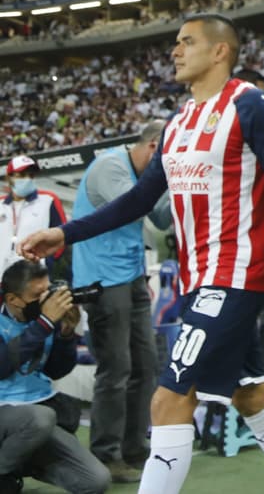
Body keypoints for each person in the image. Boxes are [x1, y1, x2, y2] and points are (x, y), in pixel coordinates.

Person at [19, 13, 264, 494]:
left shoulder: (251, 107)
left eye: (186, 42)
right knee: (249, 393)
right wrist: (67, 234)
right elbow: (138, 200)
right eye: (175, 43)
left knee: (169, 398)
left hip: (234, 277)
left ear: (219, 52)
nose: (175, 50)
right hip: (197, 283)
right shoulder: (177, 123)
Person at [72, 119, 168, 484]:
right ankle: (105, 455)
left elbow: (161, 217)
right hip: (102, 280)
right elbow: (133, 206)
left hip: (131, 277)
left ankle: (135, 450)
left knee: (146, 366)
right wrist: (165, 183)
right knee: (116, 370)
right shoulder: (110, 165)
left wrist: (185, 190)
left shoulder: (148, 175)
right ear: (153, 146)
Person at [0, 260, 110, 494]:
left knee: (95, 480)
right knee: (40, 418)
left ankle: (16, 466)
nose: (46, 301)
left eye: (47, 291)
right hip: (7, 412)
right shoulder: (37, 322)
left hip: (36, 412)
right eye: (37, 295)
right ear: (12, 299)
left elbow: (56, 371)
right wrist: (44, 324)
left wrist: (66, 333)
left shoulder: (43, 321)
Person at [3, 157, 67, 274]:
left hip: (34, 278)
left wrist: (48, 262)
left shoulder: (48, 200)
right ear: (9, 177)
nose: (27, 179)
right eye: (22, 175)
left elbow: (62, 235)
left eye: (31, 175)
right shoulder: (1, 204)